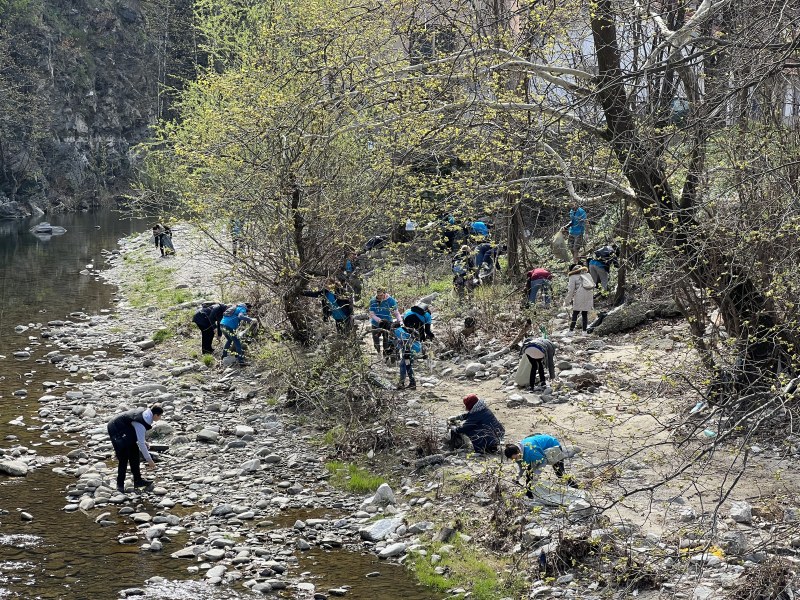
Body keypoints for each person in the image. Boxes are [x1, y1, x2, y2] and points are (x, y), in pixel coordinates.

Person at [106, 404, 164, 493]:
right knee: (123, 456)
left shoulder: (147, 414)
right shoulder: (143, 420)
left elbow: (138, 433)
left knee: (134, 452)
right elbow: (140, 443)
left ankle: (138, 481)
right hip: (115, 427)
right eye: (160, 416)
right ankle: (120, 485)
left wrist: (144, 441)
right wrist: (149, 460)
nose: (160, 418)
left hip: (126, 428)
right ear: (156, 415)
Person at [504, 434, 578, 493]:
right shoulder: (518, 455)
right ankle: (530, 492)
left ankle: (574, 486)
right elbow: (522, 466)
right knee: (529, 472)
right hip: (540, 447)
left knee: (559, 473)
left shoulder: (531, 452)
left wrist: (536, 474)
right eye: (513, 459)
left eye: (516, 458)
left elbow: (543, 461)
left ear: (518, 451)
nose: (516, 460)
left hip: (552, 445)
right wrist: (517, 478)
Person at [368, 288, 402, 357]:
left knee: (386, 340)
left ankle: (385, 355)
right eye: (378, 295)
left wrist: (400, 321)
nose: (379, 297)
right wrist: (378, 320)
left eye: (381, 295)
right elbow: (372, 314)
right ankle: (378, 352)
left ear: (385, 294)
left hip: (387, 323)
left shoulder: (391, 301)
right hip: (375, 323)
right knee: (376, 341)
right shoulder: (372, 301)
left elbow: (396, 313)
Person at [565, 263, 594, 334]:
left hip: (579, 295)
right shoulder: (588, 275)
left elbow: (571, 290)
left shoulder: (572, 277)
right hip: (589, 295)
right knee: (584, 313)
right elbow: (593, 285)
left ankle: (571, 331)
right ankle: (584, 331)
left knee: (575, 313)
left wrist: (567, 301)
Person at [390, 320, 419, 390]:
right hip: (414, 349)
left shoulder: (398, 331)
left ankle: (401, 384)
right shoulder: (403, 329)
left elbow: (403, 342)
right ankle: (412, 384)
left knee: (402, 365)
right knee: (408, 366)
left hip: (408, 351)